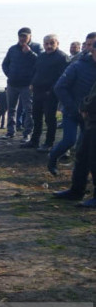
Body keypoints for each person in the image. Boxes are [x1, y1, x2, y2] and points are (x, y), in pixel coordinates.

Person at [48, 34, 96, 176]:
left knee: (83, 149)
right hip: (72, 110)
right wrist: (73, 107)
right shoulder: (78, 65)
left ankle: (80, 182)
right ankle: (52, 157)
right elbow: (59, 87)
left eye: (92, 45)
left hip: (91, 115)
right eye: (88, 45)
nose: (90, 48)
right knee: (69, 140)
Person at [22, 34, 68, 152]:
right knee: (36, 117)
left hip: (50, 93)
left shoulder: (62, 57)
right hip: (37, 91)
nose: (49, 46)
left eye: (51, 43)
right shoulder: (41, 56)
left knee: (49, 119)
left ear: (57, 43)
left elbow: (62, 77)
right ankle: (34, 140)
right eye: (46, 43)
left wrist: (52, 91)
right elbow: (35, 71)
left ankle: (48, 143)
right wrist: (32, 83)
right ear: (43, 44)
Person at [60, 76, 96, 208]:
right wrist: (83, 106)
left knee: (94, 158)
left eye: (93, 53)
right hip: (91, 121)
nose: (92, 55)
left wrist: (85, 106)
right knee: (82, 155)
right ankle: (76, 190)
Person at [1, 27, 41, 142]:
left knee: (29, 109)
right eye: (20, 36)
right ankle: (10, 132)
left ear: (30, 36)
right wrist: (10, 75)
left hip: (27, 85)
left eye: (25, 36)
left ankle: (27, 133)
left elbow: (41, 62)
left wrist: (29, 53)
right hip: (12, 84)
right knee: (11, 108)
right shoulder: (13, 49)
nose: (22, 38)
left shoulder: (37, 47)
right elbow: (5, 64)